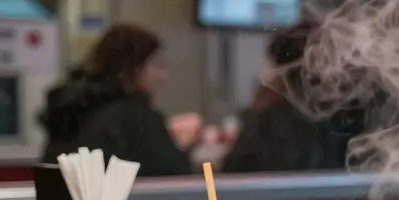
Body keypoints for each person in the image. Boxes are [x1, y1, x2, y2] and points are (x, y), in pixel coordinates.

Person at [40, 24, 195, 177]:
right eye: (157, 65)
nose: (162, 77)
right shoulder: (137, 119)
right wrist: (185, 148)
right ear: (132, 67)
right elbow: (174, 177)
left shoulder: (72, 110)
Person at [221, 22, 346, 174]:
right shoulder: (350, 120)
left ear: (282, 70)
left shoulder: (266, 123)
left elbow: (219, 189)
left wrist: (199, 161)